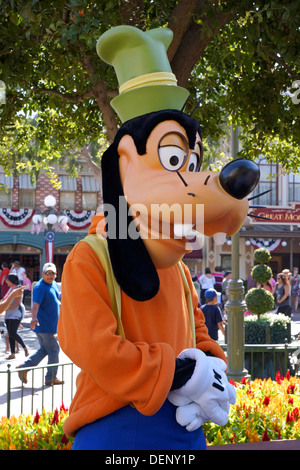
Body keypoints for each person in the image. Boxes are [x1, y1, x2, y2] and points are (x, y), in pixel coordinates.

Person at [17, 262, 63, 386]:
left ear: (56, 274)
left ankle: (24, 367)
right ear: (42, 273)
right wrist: (33, 318)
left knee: (44, 350)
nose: (50, 276)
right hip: (45, 326)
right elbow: (35, 305)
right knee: (54, 350)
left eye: (52, 273)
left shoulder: (53, 284)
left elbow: (56, 296)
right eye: (47, 273)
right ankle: (51, 377)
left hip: (50, 325)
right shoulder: (40, 287)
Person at [2, 274, 28, 360]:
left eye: (7, 280)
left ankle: (24, 347)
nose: (6, 282)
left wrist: (5, 306)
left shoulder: (18, 288)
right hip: (8, 314)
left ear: (12, 280)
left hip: (16, 313)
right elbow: (5, 299)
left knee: (13, 332)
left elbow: (16, 302)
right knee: (10, 334)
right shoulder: (10, 289)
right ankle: (12, 353)